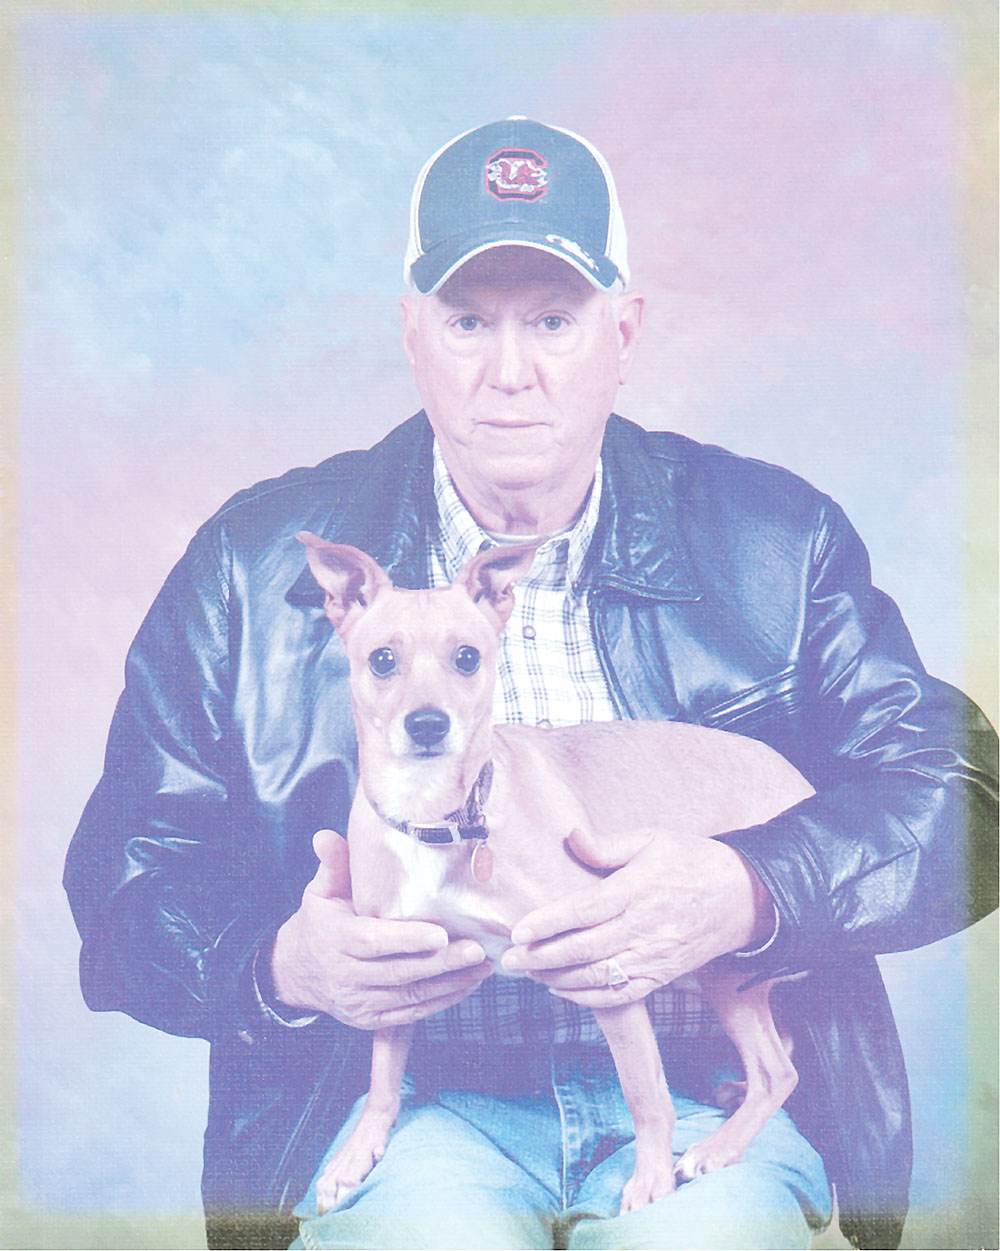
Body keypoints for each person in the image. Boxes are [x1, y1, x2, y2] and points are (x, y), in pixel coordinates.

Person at [64, 118, 997, 1251]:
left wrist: (751, 887)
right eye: (469, 321)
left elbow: (961, 795)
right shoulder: (248, 568)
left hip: (700, 1095)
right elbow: (124, 888)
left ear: (624, 332)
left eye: (553, 320)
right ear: (413, 336)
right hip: (413, 1115)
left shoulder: (776, 544)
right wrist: (282, 964)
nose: (510, 373)